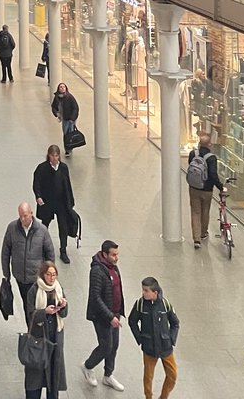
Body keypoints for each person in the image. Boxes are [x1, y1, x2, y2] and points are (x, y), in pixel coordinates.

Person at [82, 239, 125, 391]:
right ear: (105, 254)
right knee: (106, 346)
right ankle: (88, 366)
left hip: (115, 314)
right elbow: (95, 297)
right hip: (102, 317)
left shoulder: (113, 267)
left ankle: (108, 375)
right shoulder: (97, 270)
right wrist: (110, 316)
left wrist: (118, 312)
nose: (116, 258)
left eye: (117, 254)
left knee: (114, 346)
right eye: (113, 255)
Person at [1, 202, 55, 321]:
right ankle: (31, 329)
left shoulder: (42, 230)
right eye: (20, 216)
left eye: (25, 215)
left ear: (31, 214)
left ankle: (35, 329)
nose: (23, 219)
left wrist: (50, 276)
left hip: (36, 279)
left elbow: (50, 253)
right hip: (20, 277)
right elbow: (5, 251)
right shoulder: (12, 228)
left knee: (37, 305)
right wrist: (6, 274)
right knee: (27, 305)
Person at [127, 277, 179, 399]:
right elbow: (132, 321)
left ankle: (164, 396)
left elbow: (175, 323)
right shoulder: (140, 305)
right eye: (143, 290)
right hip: (149, 347)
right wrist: (140, 339)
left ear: (155, 292)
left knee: (172, 375)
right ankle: (148, 397)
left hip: (166, 346)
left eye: (146, 290)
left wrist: (171, 339)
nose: (143, 293)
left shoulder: (165, 304)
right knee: (148, 376)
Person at [25, 260, 68, 399]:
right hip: (39, 338)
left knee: (53, 375)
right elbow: (30, 315)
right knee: (36, 377)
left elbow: (64, 314)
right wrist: (44, 312)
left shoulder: (58, 289)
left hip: (55, 337)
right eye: (49, 274)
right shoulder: (35, 290)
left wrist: (63, 306)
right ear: (43, 275)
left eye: (54, 274)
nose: (52, 278)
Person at [32, 145, 76, 264]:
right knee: (45, 225)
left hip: (61, 203)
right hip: (48, 202)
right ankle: (42, 248)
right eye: (52, 155)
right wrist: (38, 196)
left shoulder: (63, 168)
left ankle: (63, 250)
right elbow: (37, 183)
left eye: (56, 156)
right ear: (49, 155)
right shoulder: (42, 168)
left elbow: (67, 185)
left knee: (63, 226)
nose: (55, 158)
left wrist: (70, 201)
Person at [187, 131, 224, 248]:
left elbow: (190, 166)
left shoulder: (193, 154)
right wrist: (220, 187)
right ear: (210, 144)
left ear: (199, 143)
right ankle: (203, 233)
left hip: (194, 188)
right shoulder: (212, 158)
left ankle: (196, 239)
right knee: (205, 210)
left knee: (195, 212)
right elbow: (213, 175)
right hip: (207, 190)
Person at [51, 84, 79, 155]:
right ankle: (68, 148)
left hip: (70, 118)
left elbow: (75, 108)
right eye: (61, 87)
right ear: (58, 89)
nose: (62, 88)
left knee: (69, 133)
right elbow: (53, 106)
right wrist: (56, 114)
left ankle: (69, 149)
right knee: (65, 133)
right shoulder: (57, 97)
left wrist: (72, 118)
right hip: (64, 118)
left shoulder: (70, 97)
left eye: (63, 87)